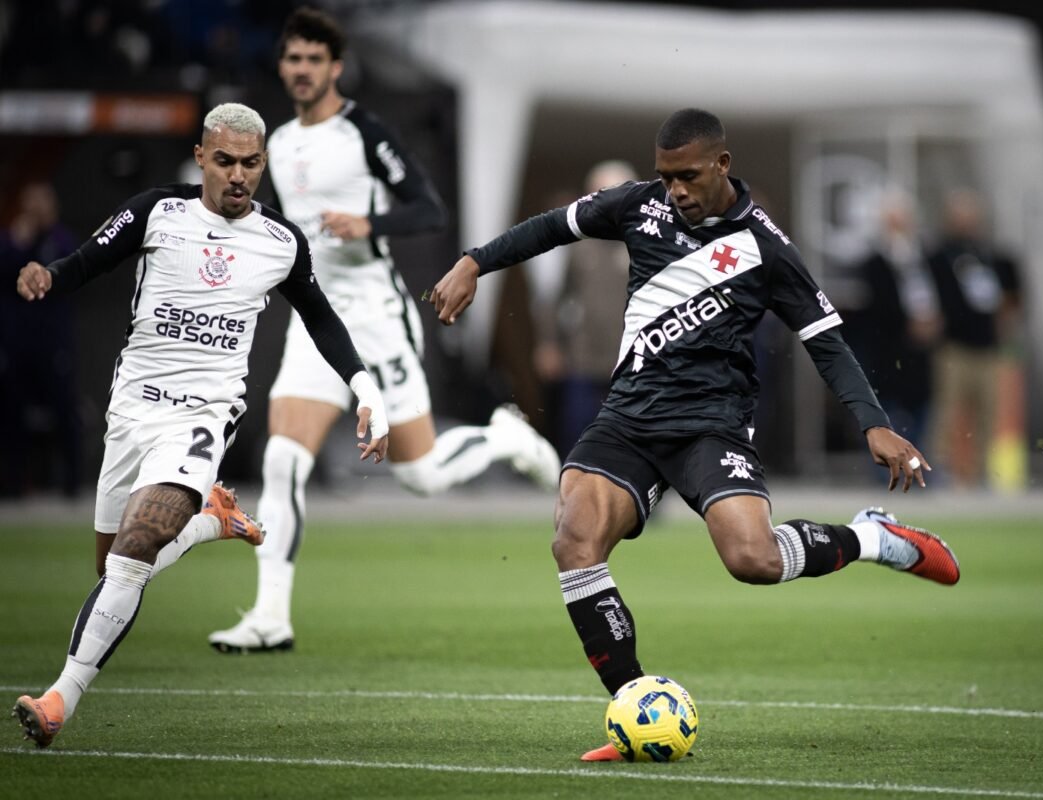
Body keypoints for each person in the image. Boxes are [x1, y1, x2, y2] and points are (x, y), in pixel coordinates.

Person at [431, 108, 961, 762]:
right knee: (574, 540)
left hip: (711, 427)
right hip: (628, 418)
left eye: (686, 177)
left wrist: (874, 423)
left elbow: (826, 341)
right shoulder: (639, 206)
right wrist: (474, 263)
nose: (675, 190)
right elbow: (552, 227)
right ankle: (634, 708)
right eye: (665, 176)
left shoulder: (765, 246)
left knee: (754, 561)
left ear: (722, 166)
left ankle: (873, 537)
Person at [11, 102, 390, 749]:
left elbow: (322, 318)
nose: (238, 175)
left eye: (250, 163)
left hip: (203, 414)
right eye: (225, 161)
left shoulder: (280, 242)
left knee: (131, 557)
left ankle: (58, 701)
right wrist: (49, 274)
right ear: (201, 158)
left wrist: (364, 388)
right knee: (110, 568)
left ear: (262, 164)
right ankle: (211, 520)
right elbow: (88, 261)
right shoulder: (157, 212)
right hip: (132, 409)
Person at [207, 8, 560, 654]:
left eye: (315, 60)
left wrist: (368, 222)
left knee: (420, 475)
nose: (303, 70)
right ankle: (270, 615)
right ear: (282, 67)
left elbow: (429, 208)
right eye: (293, 59)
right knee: (283, 457)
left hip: (377, 318)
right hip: (317, 320)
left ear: (335, 67)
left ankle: (503, 438)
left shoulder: (364, 132)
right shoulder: (278, 144)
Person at [532, 160, 639, 453]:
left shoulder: (645, 243)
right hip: (583, 356)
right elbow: (555, 298)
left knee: (633, 432)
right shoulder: (579, 245)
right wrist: (549, 343)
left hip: (632, 356)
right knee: (578, 429)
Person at [926, 188, 1022, 488]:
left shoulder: (993, 255)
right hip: (953, 347)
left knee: (987, 416)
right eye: (959, 216)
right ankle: (937, 471)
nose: (966, 222)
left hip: (988, 349)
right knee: (946, 413)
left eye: (970, 216)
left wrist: (1004, 321)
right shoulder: (938, 256)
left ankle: (978, 474)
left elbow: (1013, 296)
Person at [0, 181, 83, 497]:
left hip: (54, 344)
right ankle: (14, 485)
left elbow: (70, 270)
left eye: (42, 203)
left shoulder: (61, 240)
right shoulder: (13, 239)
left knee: (65, 412)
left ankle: (72, 486)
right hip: (17, 343)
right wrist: (21, 242)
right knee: (12, 415)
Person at [847, 188, 940, 452]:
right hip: (887, 348)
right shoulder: (874, 263)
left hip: (920, 351)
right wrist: (906, 323)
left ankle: (918, 459)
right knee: (886, 407)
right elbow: (876, 305)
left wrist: (931, 322)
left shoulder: (925, 258)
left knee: (921, 406)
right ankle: (888, 464)